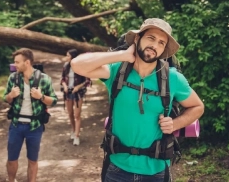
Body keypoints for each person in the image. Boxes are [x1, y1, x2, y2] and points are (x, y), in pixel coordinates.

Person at [71, 18, 205, 182]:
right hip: (116, 169)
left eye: (161, 43)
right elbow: (77, 65)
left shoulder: (173, 79)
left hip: (156, 171)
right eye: (151, 38)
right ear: (137, 39)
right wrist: (123, 54)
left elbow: (197, 106)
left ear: (163, 50)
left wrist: (175, 124)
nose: (155, 46)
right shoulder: (117, 71)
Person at [3, 48, 58, 182]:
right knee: (11, 159)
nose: (14, 65)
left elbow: (54, 101)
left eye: (17, 62)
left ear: (27, 62)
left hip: (35, 126)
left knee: (32, 160)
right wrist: (11, 95)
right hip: (16, 125)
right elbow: (5, 98)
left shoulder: (44, 79)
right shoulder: (13, 78)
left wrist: (41, 97)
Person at [61, 49, 91, 146]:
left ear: (73, 57)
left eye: (68, 56)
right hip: (68, 92)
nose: (66, 57)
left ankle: (77, 136)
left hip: (78, 93)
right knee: (70, 113)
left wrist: (78, 87)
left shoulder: (80, 67)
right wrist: (65, 86)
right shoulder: (66, 66)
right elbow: (62, 79)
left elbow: (87, 81)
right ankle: (73, 131)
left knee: (77, 115)